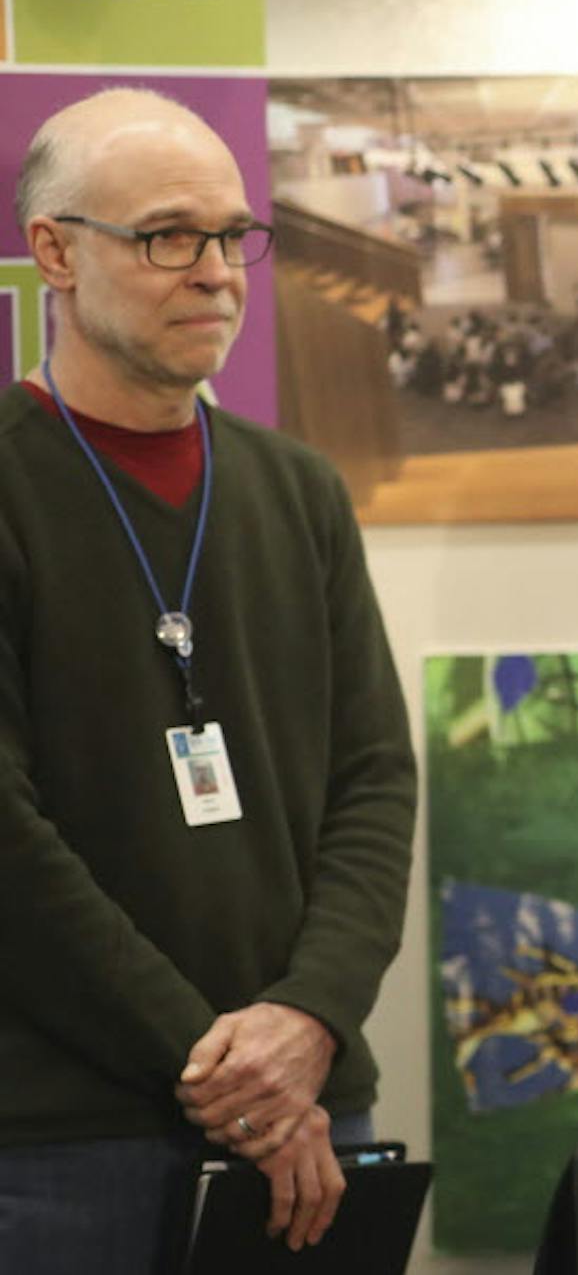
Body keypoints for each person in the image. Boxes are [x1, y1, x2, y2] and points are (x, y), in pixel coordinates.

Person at [1, 87, 416, 1268]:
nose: (218, 271)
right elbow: (8, 845)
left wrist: (308, 1020)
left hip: (314, 1101)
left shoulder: (299, 489)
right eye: (169, 236)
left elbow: (375, 783)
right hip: (63, 1138)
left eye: (233, 236)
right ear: (56, 252)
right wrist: (227, 1070)